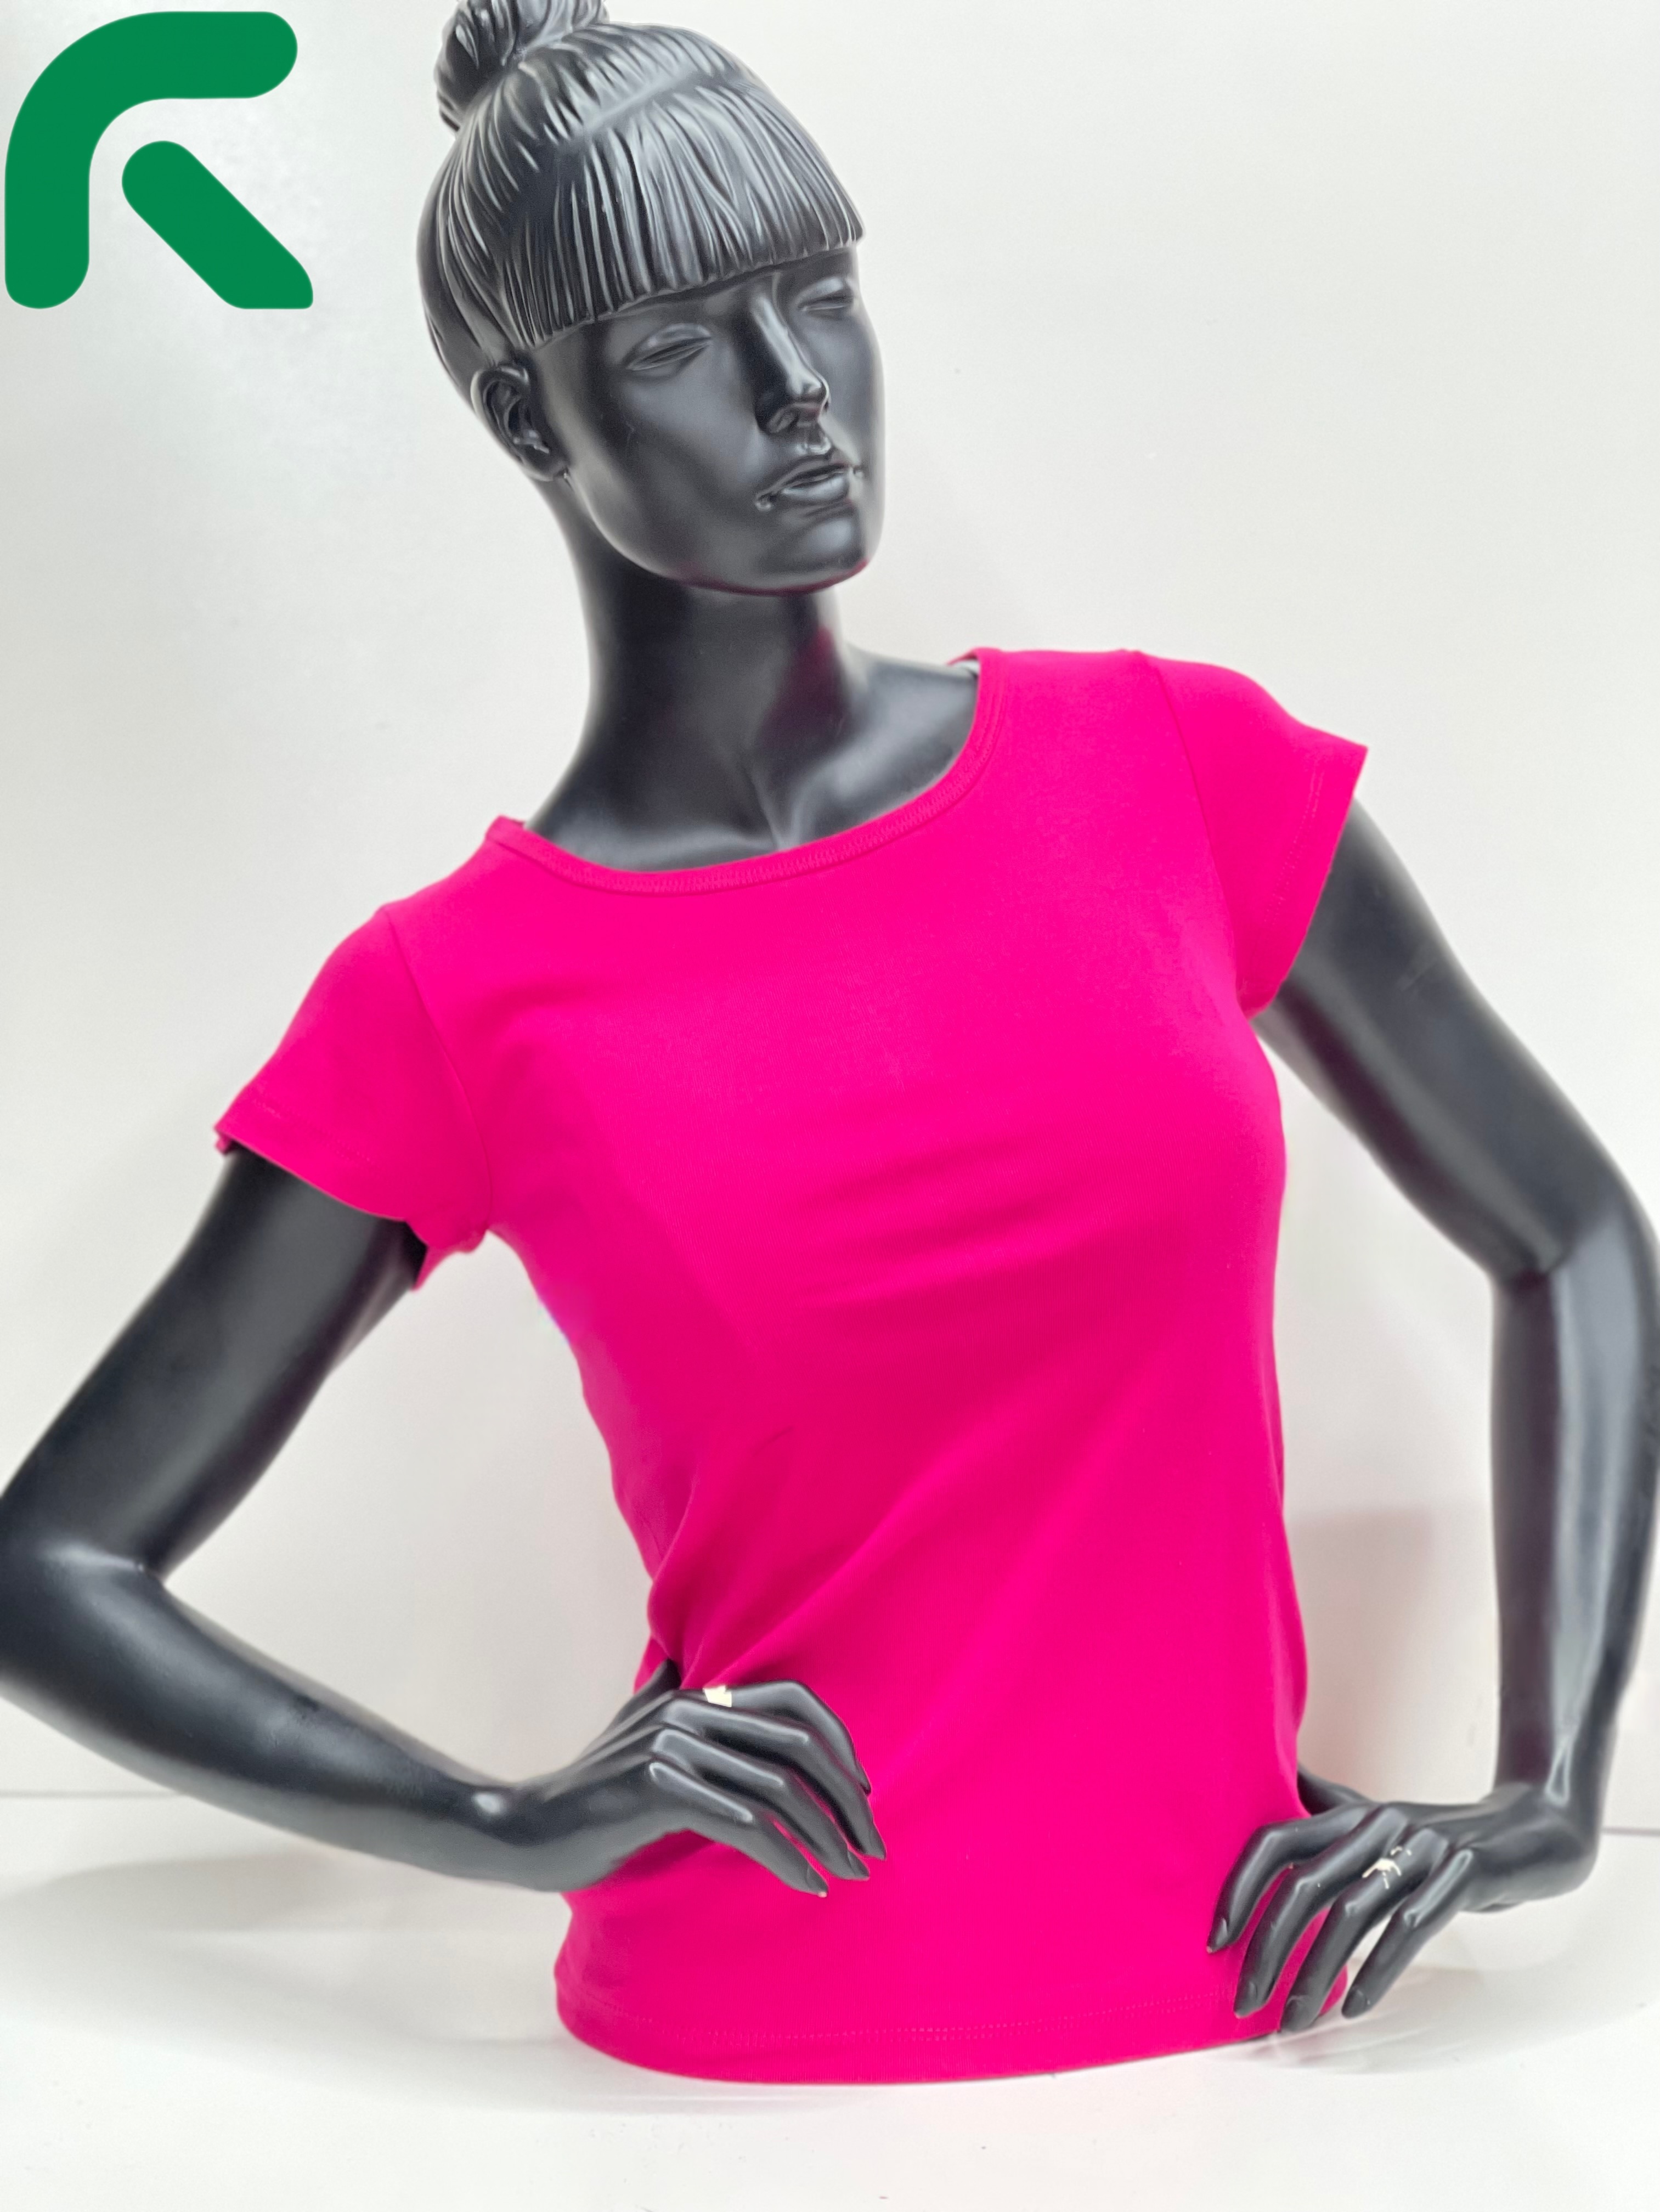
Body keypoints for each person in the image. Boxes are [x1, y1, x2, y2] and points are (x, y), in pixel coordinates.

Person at [0, 0, 1655, 2085]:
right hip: (729, 2061)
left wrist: (1544, 1796)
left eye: (822, 294)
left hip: (1256, 2030)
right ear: (527, 416)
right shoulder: (456, 992)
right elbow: (48, 1570)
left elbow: (1567, 1233)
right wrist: (499, 1824)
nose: (796, 386)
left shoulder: (1168, 766)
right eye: (677, 344)